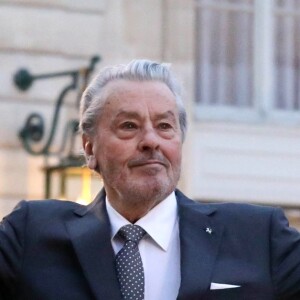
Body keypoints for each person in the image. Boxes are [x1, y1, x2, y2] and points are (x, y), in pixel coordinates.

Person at [1, 60, 300, 300]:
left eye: (165, 126)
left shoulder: (259, 237)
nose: (151, 141)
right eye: (129, 126)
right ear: (90, 148)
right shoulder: (31, 234)